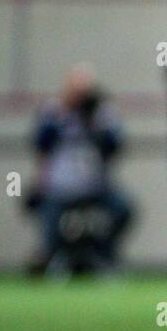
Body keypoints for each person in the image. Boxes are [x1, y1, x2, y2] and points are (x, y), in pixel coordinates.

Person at [31, 64, 132, 270]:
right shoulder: (53, 111)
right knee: (49, 218)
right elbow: (39, 144)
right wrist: (63, 117)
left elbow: (116, 147)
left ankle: (100, 253)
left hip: (95, 186)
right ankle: (54, 259)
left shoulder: (101, 114)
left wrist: (94, 124)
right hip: (60, 188)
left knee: (123, 209)